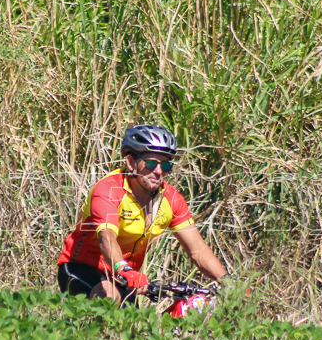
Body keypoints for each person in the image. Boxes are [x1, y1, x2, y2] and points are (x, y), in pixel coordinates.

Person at [58, 124, 228, 303]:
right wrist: (123, 269)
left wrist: (229, 283)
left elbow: (198, 250)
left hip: (126, 279)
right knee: (110, 299)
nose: (159, 171)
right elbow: (107, 238)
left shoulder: (171, 199)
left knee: (137, 329)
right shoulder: (109, 190)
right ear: (131, 163)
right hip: (81, 268)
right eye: (151, 163)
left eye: (166, 165)